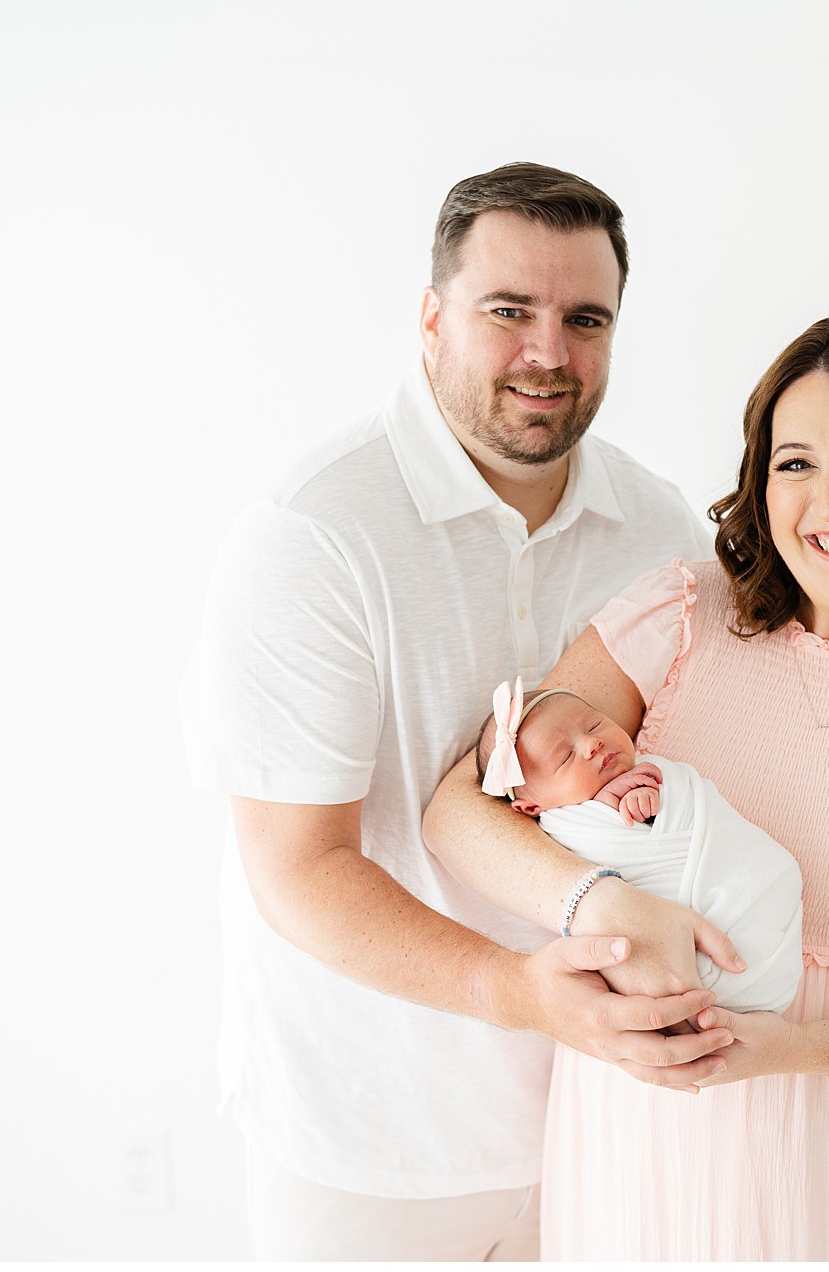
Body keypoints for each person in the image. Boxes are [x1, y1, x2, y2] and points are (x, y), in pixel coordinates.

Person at [424, 316, 829, 1260]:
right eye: (793, 463)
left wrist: (806, 1052)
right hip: (652, 1143)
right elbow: (462, 811)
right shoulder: (679, 617)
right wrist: (600, 902)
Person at [180, 163, 748, 1261]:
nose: (548, 353)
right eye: (507, 311)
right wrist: (520, 992)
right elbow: (297, 864)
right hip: (368, 1132)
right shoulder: (315, 531)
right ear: (431, 316)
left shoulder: (658, 529)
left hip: (608, 1115)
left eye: (586, 319)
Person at [475, 681, 804, 1014]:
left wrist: (656, 797)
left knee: (775, 878)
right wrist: (620, 808)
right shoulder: (564, 827)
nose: (591, 743)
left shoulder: (649, 771)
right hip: (670, 947)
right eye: (564, 757)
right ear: (531, 808)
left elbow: (686, 804)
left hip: (747, 885)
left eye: (594, 724)